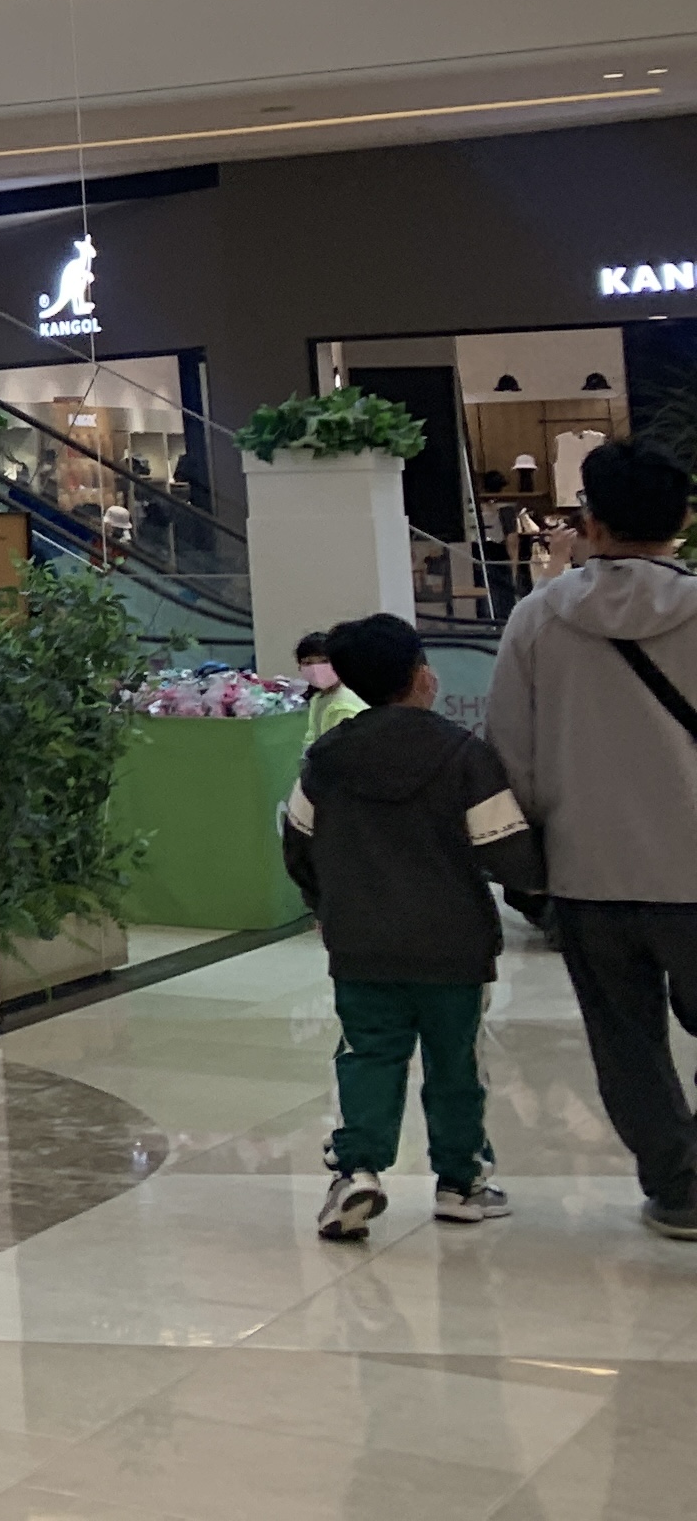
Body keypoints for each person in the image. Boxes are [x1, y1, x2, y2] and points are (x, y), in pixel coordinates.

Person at [483, 440, 697, 1239]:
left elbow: (512, 752)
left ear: (590, 522)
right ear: (682, 521)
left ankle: (679, 1190)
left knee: (626, 1042)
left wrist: (543, 840)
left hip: (588, 873)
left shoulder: (538, 617)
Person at [285, 614, 544, 1239]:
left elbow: (297, 843)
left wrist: (326, 904)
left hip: (361, 944)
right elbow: (511, 855)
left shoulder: (325, 760)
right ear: (421, 676)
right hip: (453, 945)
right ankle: (461, 1180)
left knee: (368, 1053)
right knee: (456, 1063)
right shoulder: (464, 755)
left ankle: (358, 1170)